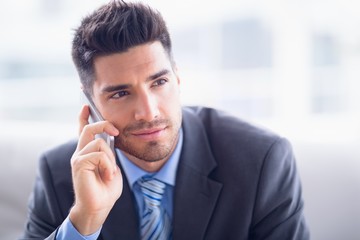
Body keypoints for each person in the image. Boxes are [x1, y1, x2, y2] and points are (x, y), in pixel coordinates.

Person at [20, 1, 309, 239]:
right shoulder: (59, 173)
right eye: (121, 93)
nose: (149, 112)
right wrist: (86, 219)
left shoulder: (261, 161)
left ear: (177, 77)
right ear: (91, 103)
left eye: (158, 82)